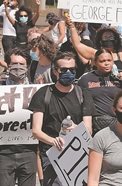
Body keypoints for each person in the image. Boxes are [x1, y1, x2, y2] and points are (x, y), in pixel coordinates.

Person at [29, 52, 97, 186]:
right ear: (55, 71)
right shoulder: (43, 94)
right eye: (64, 70)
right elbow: (36, 131)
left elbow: (88, 129)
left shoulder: (83, 94)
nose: (68, 73)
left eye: (72, 70)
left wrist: (76, 128)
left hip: (78, 155)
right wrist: (53, 141)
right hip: (52, 155)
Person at [0, 47, 38, 186]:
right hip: (3, 152)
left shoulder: (36, 91)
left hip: (28, 151)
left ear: (28, 66)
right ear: (8, 66)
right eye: (14, 64)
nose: (18, 68)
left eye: (22, 65)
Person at [78, 48, 122, 134]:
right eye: (102, 61)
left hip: (117, 124)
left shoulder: (120, 78)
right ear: (95, 62)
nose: (106, 63)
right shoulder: (85, 79)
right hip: (95, 126)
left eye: (109, 60)